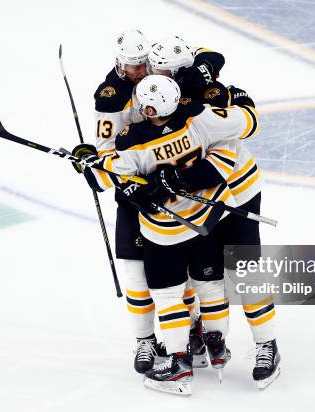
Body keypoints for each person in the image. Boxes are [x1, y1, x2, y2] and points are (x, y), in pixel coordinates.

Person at [78, 75, 260, 395]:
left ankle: (178, 365)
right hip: (203, 220)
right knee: (210, 284)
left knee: (167, 296)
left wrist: (87, 161)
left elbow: (104, 177)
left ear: (149, 108)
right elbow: (240, 127)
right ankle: (216, 345)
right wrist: (241, 102)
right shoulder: (195, 121)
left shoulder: (134, 139)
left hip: (163, 230)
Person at [147, 36, 280, 389]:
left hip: (236, 196)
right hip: (200, 202)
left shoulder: (207, 105)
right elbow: (209, 55)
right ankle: (196, 337)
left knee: (245, 273)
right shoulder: (159, 94)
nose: (151, 74)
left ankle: (267, 344)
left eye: (160, 70)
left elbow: (249, 123)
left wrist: (237, 98)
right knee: (199, 276)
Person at [71, 29, 205, 374]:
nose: (141, 70)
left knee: (183, 275)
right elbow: (106, 153)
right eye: (133, 65)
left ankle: (190, 333)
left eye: (144, 62)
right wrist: (95, 166)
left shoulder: (156, 78)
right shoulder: (111, 97)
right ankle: (145, 342)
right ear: (118, 63)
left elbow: (207, 58)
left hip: (171, 189)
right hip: (135, 192)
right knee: (136, 274)